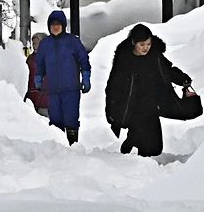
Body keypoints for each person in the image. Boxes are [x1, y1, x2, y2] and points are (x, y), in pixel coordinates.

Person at [105, 23, 193, 158]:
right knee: (147, 145)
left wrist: (182, 79)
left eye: (148, 44)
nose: (146, 48)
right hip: (132, 106)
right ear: (134, 43)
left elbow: (167, 70)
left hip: (152, 104)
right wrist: (111, 110)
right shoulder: (124, 60)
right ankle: (142, 167)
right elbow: (112, 87)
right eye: (142, 45)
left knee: (156, 146)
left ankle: (131, 141)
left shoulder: (155, 56)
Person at [34, 10, 91, 144]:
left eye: (58, 24)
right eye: (53, 24)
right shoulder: (45, 45)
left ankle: (73, 146)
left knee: (71, 119)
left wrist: (86, 77)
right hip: (53, 90)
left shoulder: (73, 42)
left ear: (63, 25)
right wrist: (38, 78)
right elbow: (40, 64)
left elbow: (84, 60)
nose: (55, 27)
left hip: (71, 89)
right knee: (55, 120)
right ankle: (58, 150)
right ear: (49, 26)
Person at [25, 32, 50, 117]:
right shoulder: (30, 59)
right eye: (33, 44)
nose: (34, 46)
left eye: (36, 44)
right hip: (32, 99)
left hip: (46, 101)